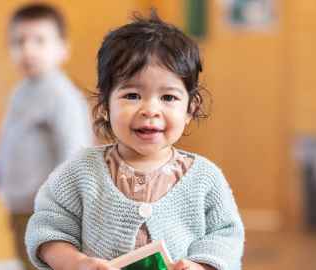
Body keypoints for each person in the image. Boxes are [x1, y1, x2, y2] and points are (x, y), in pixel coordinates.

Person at [25, 11, 244, 270]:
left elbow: (226, 235)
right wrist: (77, 262)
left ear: (190, 109)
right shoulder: (79, 172)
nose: (150, 110)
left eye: (168, 97)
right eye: (132, 95)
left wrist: (201, 265)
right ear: (105, 105)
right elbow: (48, 228)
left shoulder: (205, 178)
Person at [0, 3, 92, 270]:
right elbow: (9, 135)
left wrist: (65, 202)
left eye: (39, 41)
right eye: (19, 42)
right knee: (24, 255)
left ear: (63, 49)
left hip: (47, 207)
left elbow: (74, 149)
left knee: (44, 262)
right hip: (19, 201)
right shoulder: (21, 91)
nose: (28, 50)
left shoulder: (61, 94)